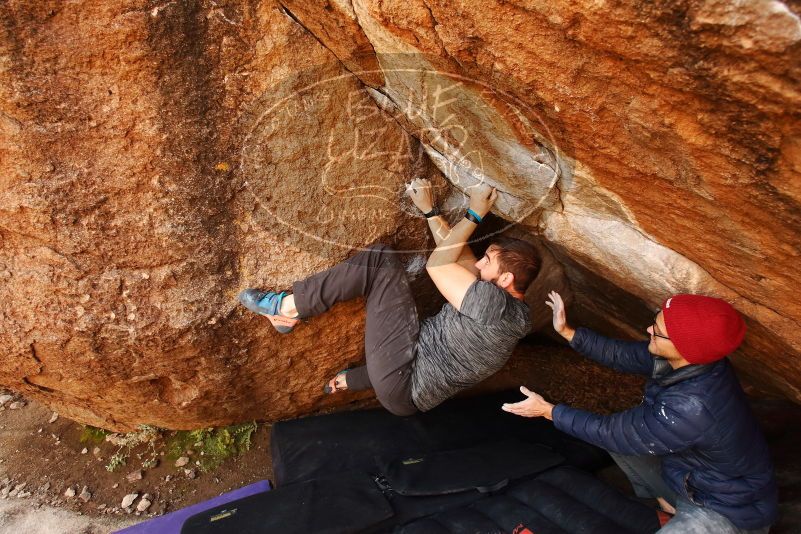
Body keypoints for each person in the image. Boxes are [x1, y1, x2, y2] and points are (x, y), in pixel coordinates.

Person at [238, 178, 539, 416]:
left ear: (506, 278)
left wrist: (475, 214)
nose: (478, 263)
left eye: (488, 260)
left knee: (379, 261)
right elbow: (457, 256)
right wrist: (429, 211)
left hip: (403, 380)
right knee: (409, 337)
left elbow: (439, 264)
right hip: (407, 383)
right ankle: (352, 380)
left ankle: (289, 308)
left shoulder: (494, 307)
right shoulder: (512, 312)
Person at [502, 291, 778, 533]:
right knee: (621, 441)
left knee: (615, 435)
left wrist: (548, 410)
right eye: (656, 320)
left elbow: (609, 432)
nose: (648, 329)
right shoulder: (693, 361)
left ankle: (676, 511)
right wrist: (568, 332)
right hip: (691, 477)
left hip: (728, 510)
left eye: (657, 330)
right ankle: (666, 503)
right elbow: (623, 354)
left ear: (684, 348)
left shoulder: (691, 408)